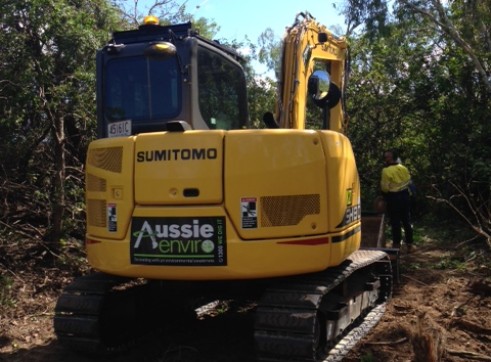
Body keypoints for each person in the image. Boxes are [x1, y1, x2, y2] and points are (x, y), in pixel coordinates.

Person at [380, 150, 414, 252]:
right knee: (406, 221)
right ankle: (410, 245)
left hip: (394, 198)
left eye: (386, 157)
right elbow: (409, 181)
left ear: (390, 158)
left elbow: (385, 188)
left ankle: (396, 246)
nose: (385, 159)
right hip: (405, 196)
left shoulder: (386, 171)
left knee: (395, 222)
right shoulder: (403, 168)